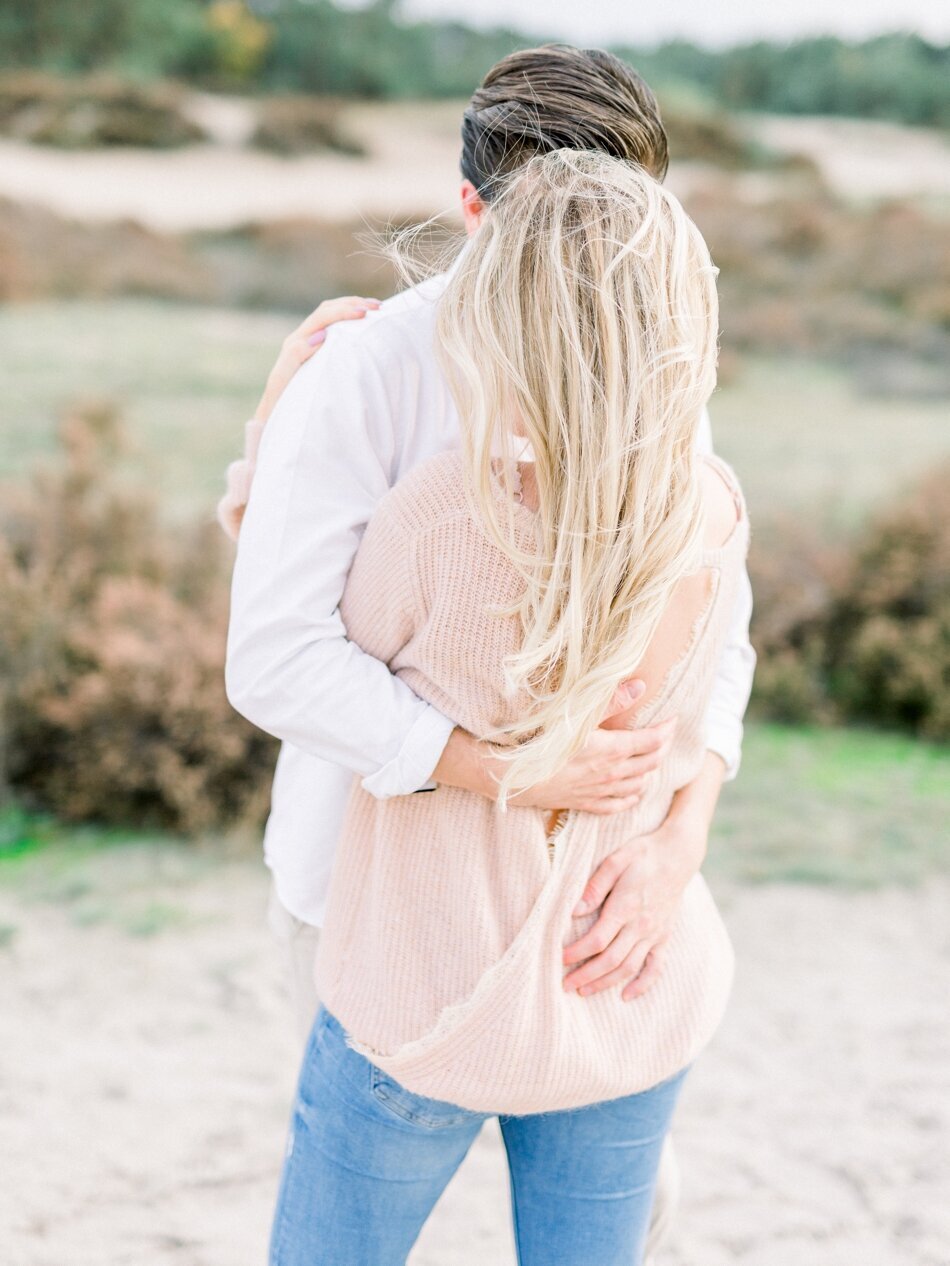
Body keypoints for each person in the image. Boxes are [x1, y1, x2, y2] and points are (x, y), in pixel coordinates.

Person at [224, 45, 755, 1263]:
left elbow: (715, 637)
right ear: (472, 213)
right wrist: (498, 768)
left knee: (630, 1208)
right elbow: (279, 655)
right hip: (378, 887)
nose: (590, 259)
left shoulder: (656, 383)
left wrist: (680, 839)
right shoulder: (367, 377)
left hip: (599, 906)